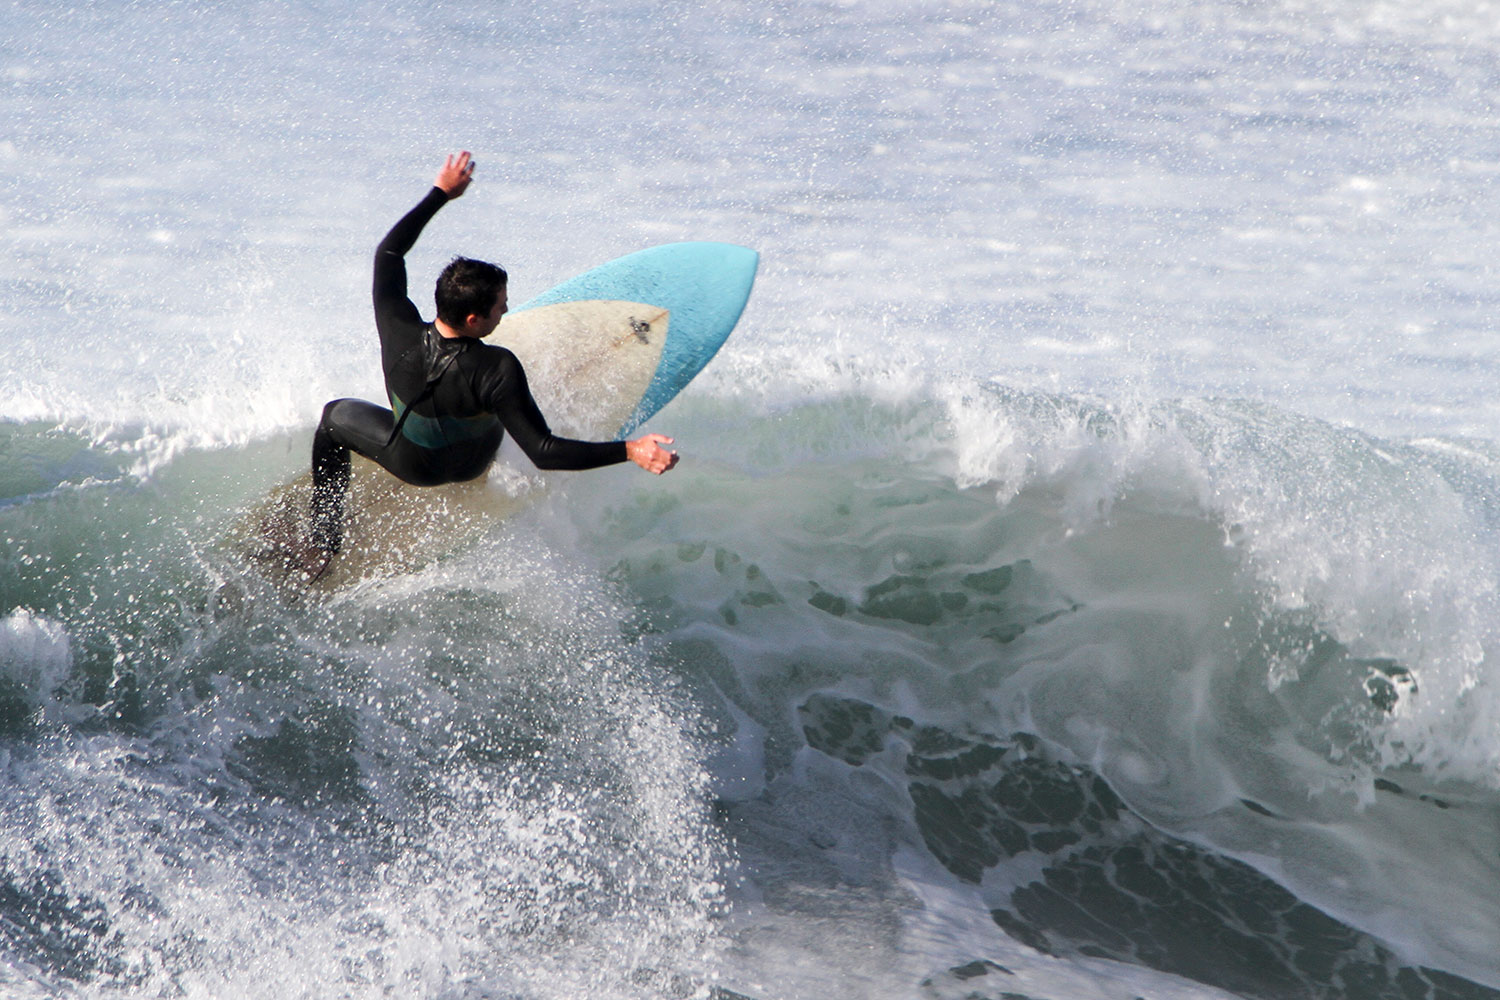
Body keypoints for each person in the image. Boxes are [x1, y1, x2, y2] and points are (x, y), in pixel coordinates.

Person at [303, 151, 677, 578]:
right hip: (471, 465)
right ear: (473, 319)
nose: (506, 309)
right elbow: (544, 452)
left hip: (410, 463)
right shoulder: (497, 367)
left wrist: (441, 193)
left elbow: (388, 254)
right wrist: (631, 450)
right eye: (500, 307)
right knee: (501, 403)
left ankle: (323, 540)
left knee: (333, 418)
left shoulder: (396, 325)